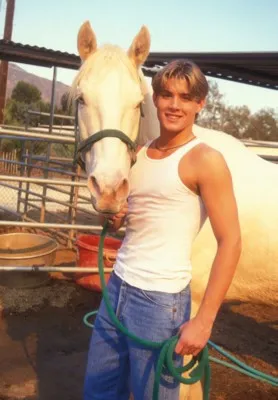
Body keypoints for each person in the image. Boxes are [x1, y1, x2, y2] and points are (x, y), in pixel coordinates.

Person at [83, 59, 242, 400]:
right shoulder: (139, 154)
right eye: (166, 94)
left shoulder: (205, 160)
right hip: (117, 289)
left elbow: (230, 241)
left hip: (160, 302)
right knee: (98, 391)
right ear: (153, 99)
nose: (174, 104)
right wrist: (117, 218)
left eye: (185, 98)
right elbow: (138, 221)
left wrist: (204, 321)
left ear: (200, 104)